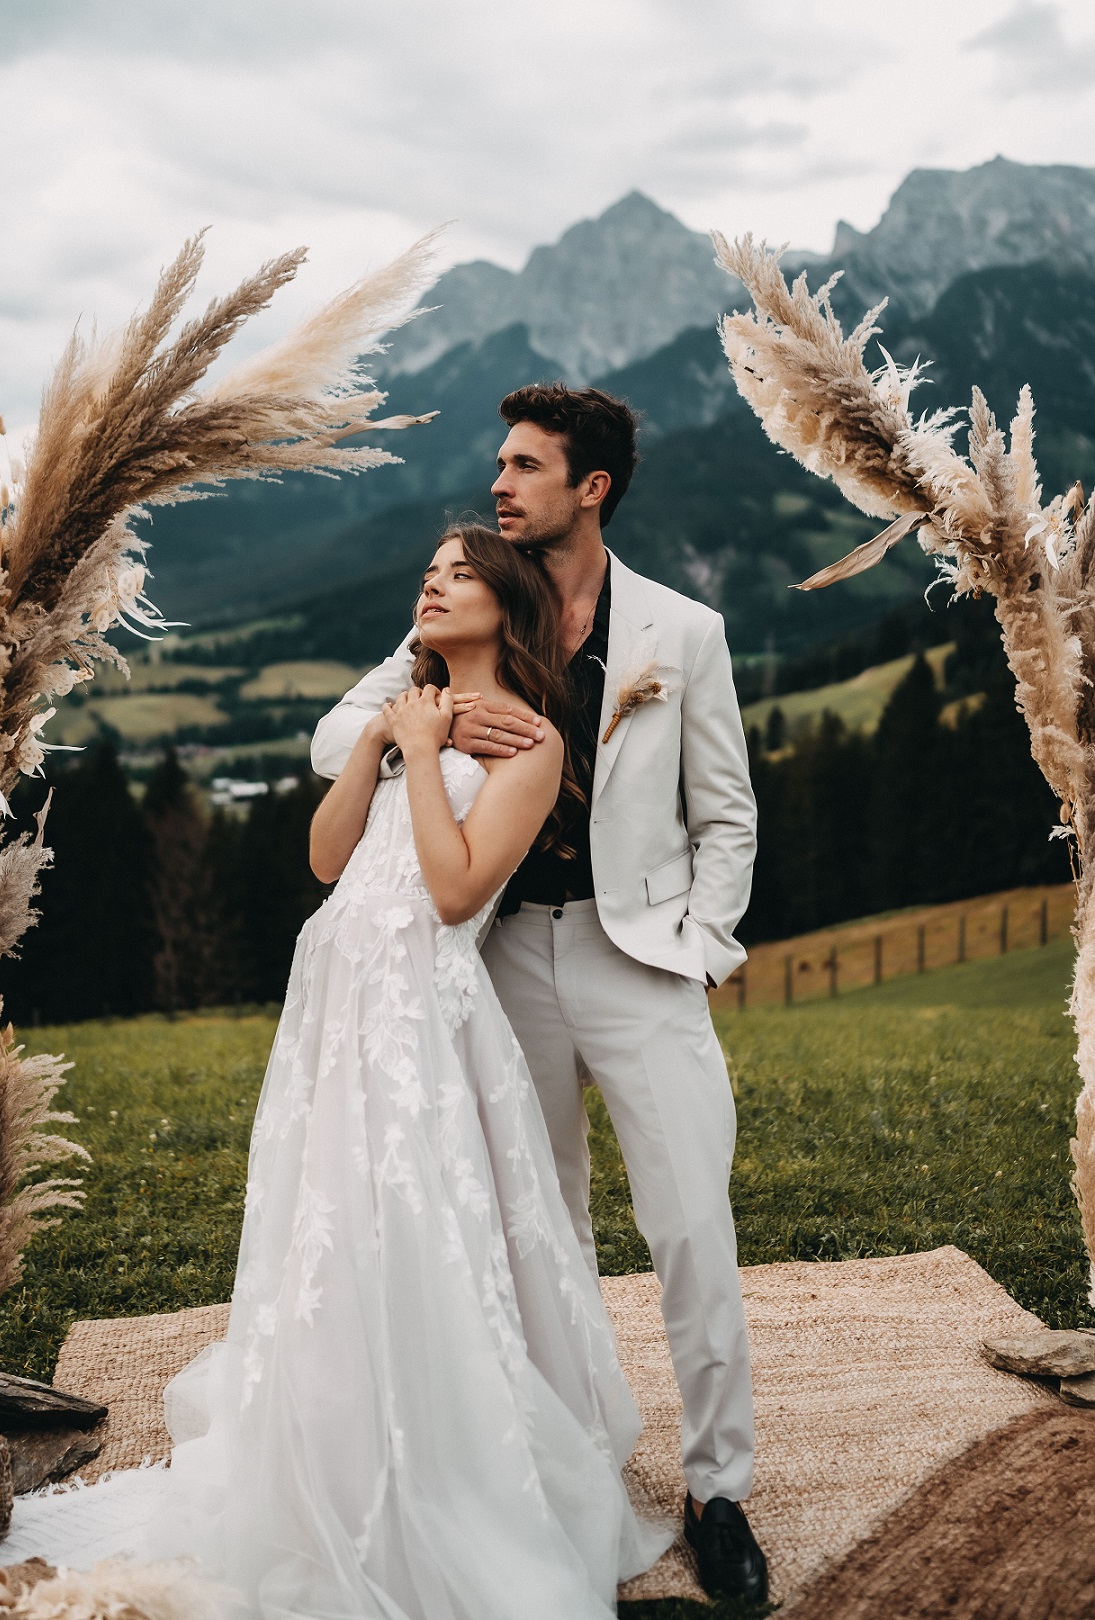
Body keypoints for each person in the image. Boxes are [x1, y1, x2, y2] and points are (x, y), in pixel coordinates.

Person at [0, 524, 671, 1616]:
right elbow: (322, 858)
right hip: (341, 990)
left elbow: (453, 895)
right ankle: (331, 1434)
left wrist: (427, 746)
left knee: (413, 1219)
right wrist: (385, 743)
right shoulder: (403, 714)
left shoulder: (531, 744)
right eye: (429, 575)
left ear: (505, 600)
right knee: (329, 1215)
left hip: (423, 1005)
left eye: (459, 574)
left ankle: (438, 1460)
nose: (434, 587)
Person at [312, 384, 767, 1603]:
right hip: (500, 957)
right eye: (501, 464)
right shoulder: (471, 603)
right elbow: (331, 740)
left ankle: (721, 1489)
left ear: (591, 486)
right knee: (534, 1225)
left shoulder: (684, 632)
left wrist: (699, 945)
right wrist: (442, 718)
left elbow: (727, 817)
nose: (501, 484)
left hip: (640, 961)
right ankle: (571, 1470)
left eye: (524, 466)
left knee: (691, 1228)